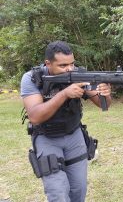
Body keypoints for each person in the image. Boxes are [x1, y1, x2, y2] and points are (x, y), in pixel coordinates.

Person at [20, 41, 112, 202]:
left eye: (72, 63)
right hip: (46, 137)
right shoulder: (33, 78)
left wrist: (105, 93)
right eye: (63, 65)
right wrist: (64, 94)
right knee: (58, 193)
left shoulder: (78, 74)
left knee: (79, 189)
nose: (69, 69)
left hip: (74, 134)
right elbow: (34, 116)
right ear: (48, 63)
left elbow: (102, 103)